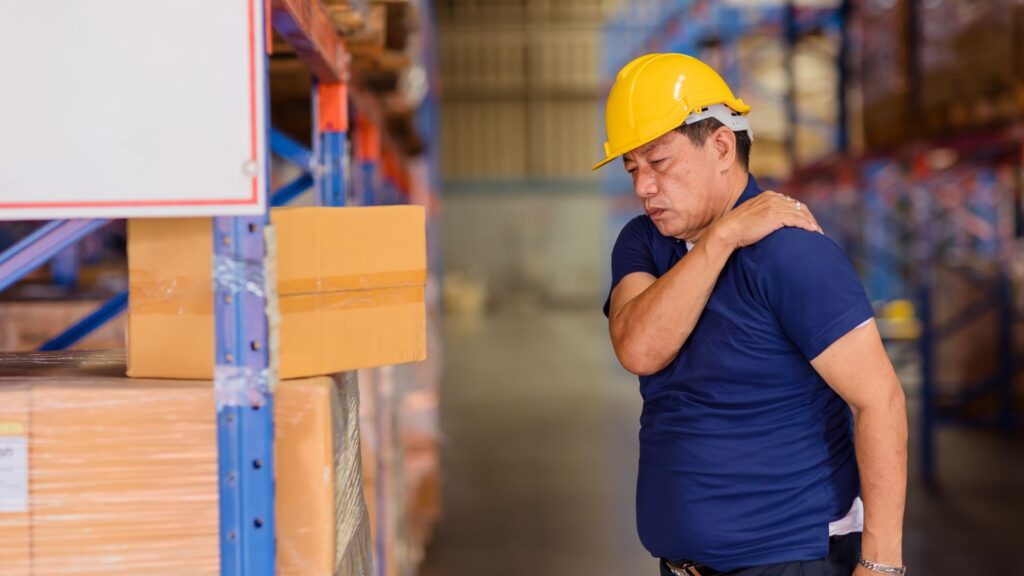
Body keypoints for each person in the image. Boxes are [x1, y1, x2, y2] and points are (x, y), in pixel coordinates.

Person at [596, 53, 908, 576]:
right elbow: (638, 348)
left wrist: (881, 565)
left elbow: (880, 401)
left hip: (787, 560)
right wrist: (721, 238)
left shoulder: (792, 254)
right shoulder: (645, 243)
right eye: (632, 169)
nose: (642, 187)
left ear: (720, 145)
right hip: (683, 565)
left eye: (659, 162)